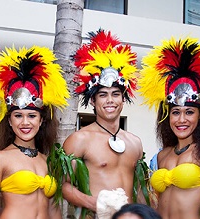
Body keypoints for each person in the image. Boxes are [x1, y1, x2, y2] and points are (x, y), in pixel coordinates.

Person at [138, 37, 200, 219]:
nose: (182, 119)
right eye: (175, 112)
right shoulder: (162, 155)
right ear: (167, 117)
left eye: (189, 112)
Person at [61, 29, 147, 219]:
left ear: (123, 99)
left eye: (115, 94)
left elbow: (140, 190)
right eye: (103, 95)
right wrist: (93, 203)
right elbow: (64, 186)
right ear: (93, 101)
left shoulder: (135, 143)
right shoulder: (79, 139)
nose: (110, 100)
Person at [0, 46, 69, 218]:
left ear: (41, 120)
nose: (25, 122)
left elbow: (54, 210)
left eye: (31, 116)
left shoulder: (48, 160)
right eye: (18, 116)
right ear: (9, 120)